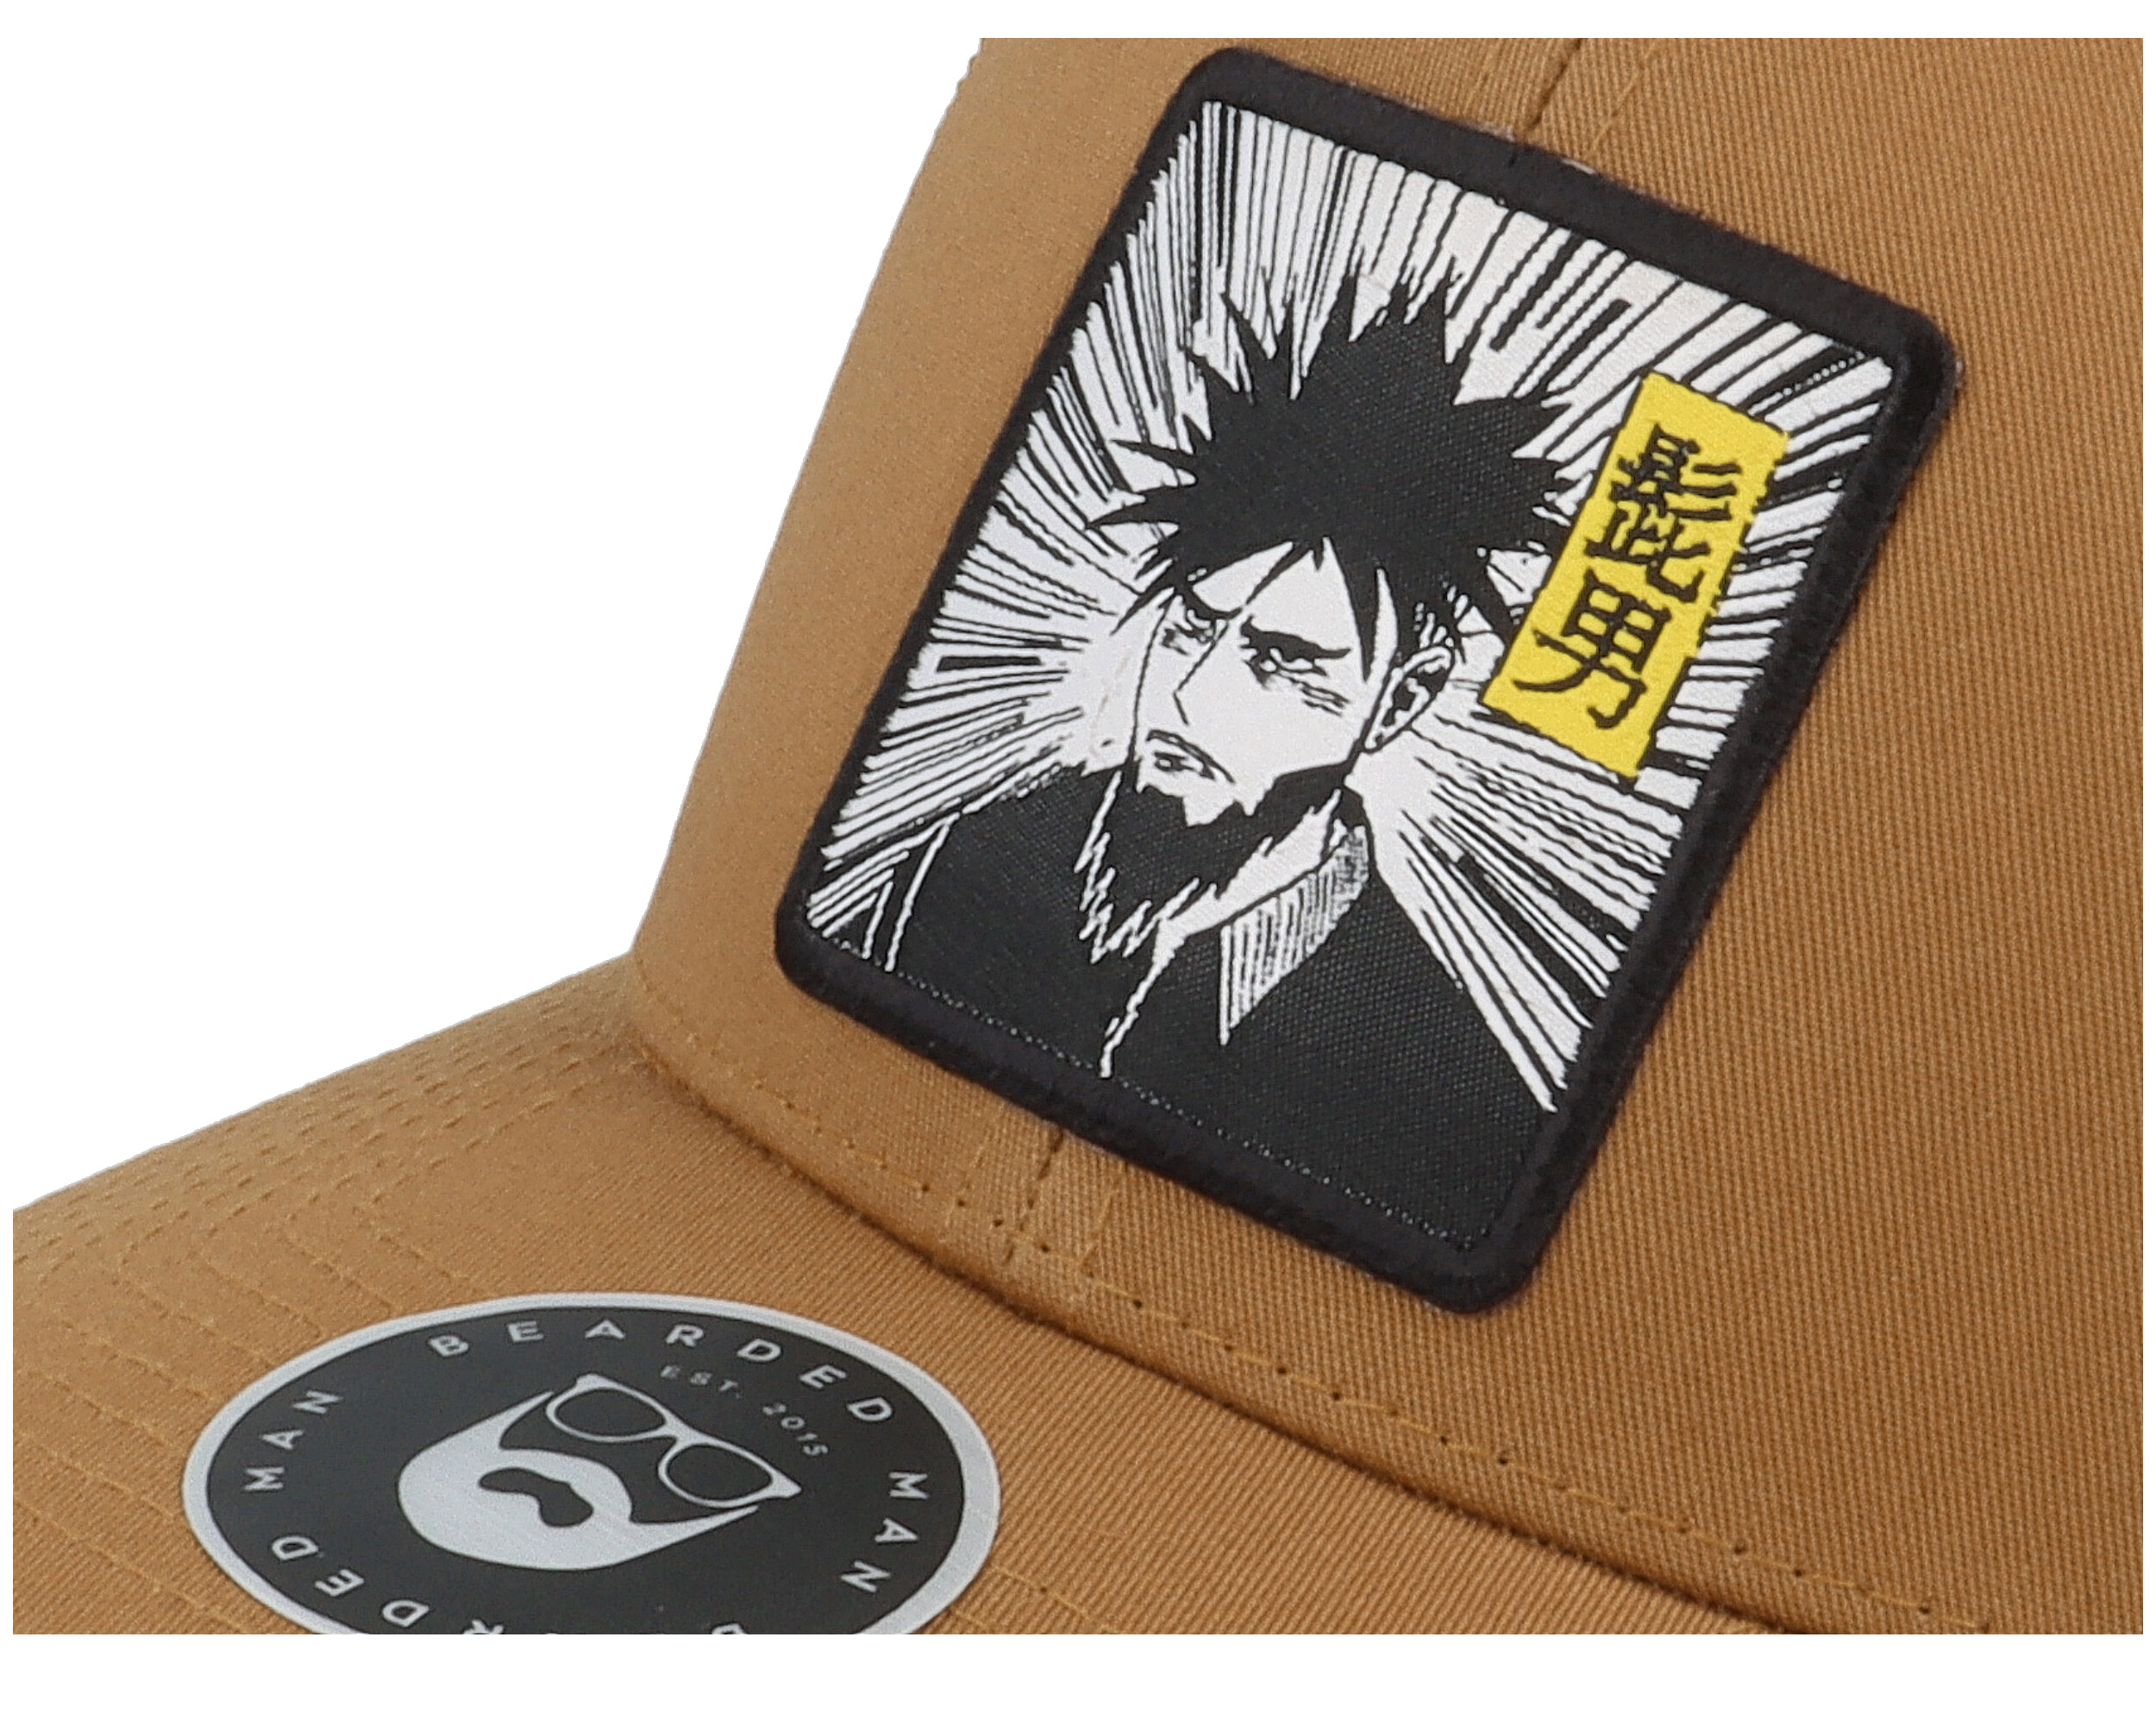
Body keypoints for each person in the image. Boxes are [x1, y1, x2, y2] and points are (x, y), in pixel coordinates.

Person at [874, 279, 1565, 1233]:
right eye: (1193, 626)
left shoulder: (1446, 1096)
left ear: (1402, 699)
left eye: (1283, 663)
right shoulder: (971, 859)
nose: (1191, 694)